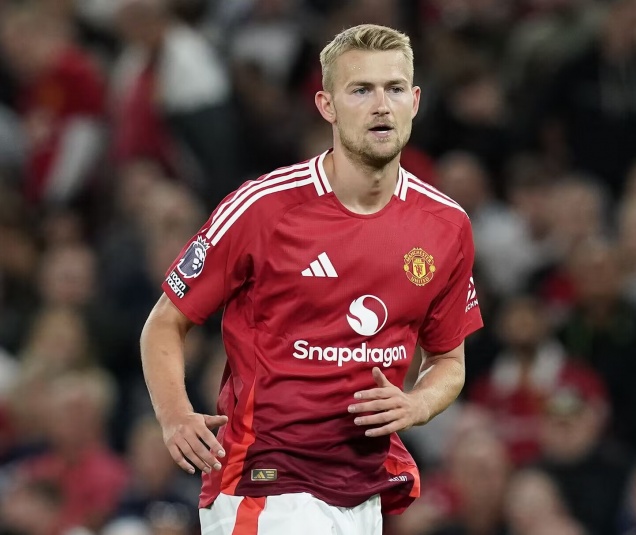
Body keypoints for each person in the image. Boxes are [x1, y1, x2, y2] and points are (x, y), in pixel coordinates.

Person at [140, 23, 484, 535]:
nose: (381, 105)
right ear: (327, 105)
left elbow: (448, 361)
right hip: (267, 482)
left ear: (414, 101)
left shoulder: (446, 225)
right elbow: (165, 322)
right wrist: (175, 416)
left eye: (394, 89)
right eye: (361, 90)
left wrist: (417, 403)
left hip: (363, 488)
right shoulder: (263, 208)